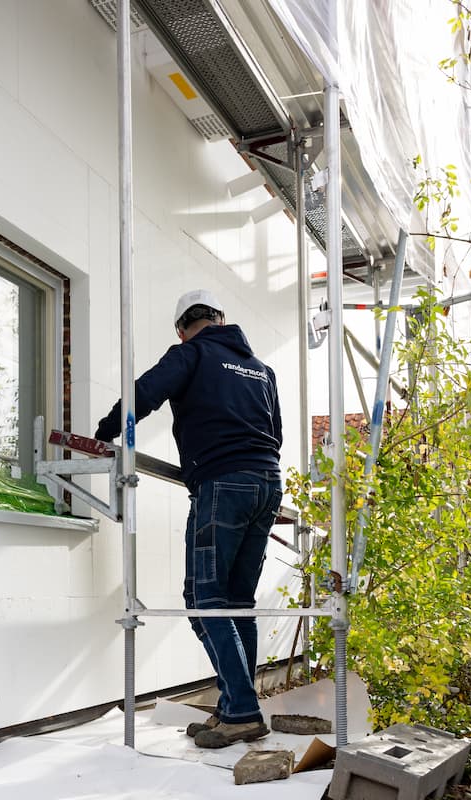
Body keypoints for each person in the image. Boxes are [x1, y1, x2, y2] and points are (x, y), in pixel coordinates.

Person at [94, 289, 283, 748]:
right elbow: (275, 431)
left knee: (204, 596)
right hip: (268, 483)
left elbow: (146, 393)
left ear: (182, 328)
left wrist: (107, 429)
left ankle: (241, 710)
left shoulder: (191, 354)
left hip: (223, 483)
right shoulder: (262, 370)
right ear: (221, 319)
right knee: (237, 600)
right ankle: (233, 706)